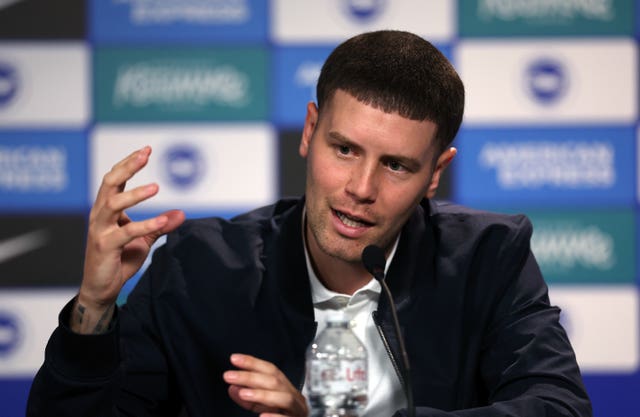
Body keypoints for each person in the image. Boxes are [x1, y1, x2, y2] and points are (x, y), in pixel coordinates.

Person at [27, 30, 592, 417]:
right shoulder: (197, 269)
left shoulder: (489, 257)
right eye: (344, 149)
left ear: (436, 173)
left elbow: (557, 407)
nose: (362, 189)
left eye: (396, 165)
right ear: (309, 131)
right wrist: (94, 310)